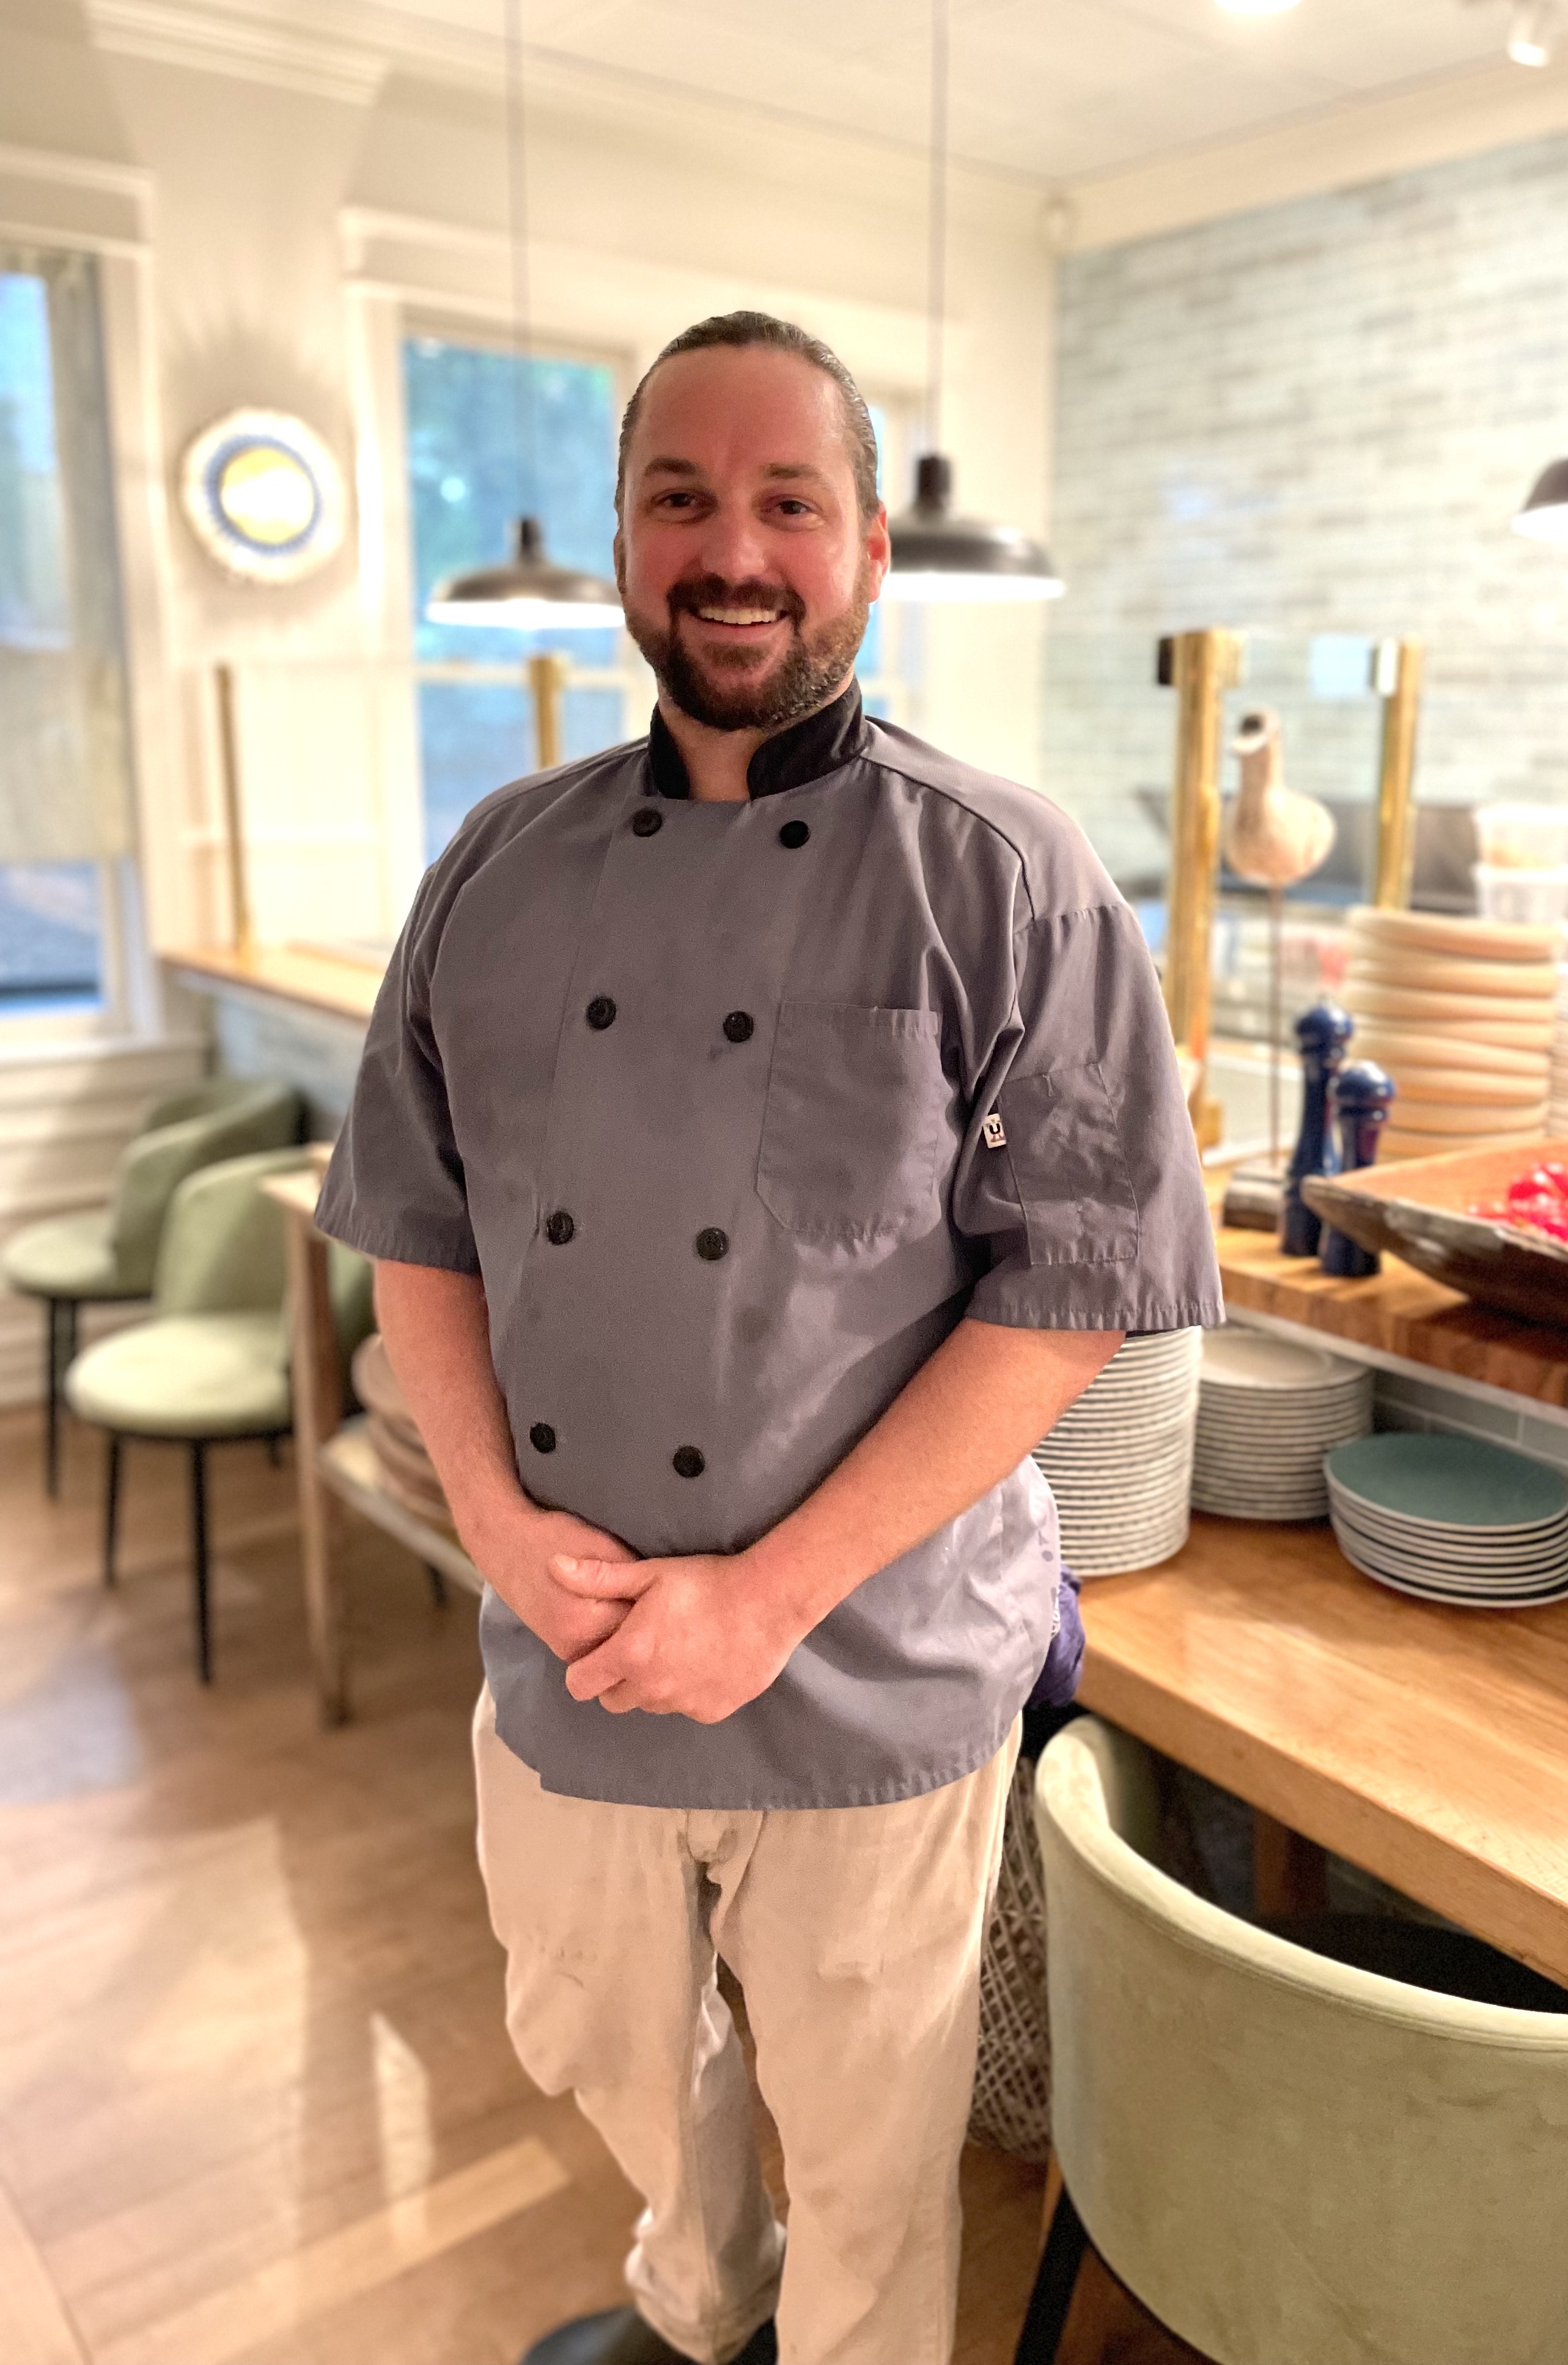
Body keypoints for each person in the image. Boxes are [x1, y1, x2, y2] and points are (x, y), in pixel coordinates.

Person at [315, 308, 1221, 2365]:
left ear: (871, 549)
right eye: (683, 500)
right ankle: (702, 2294)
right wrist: (494, 1525)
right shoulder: (496, 868)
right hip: (571, 1646)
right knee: (599, 2046)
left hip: (870, 1673)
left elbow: (1078, 1289)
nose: (735, 553)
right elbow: (420, 1231)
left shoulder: (1005, 874)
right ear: (626, 543)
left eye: (789, 505)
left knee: (879, 2161)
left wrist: (769, 1594)